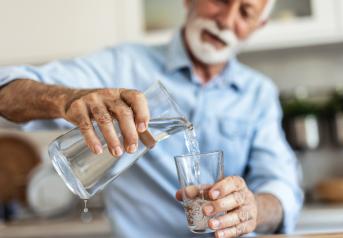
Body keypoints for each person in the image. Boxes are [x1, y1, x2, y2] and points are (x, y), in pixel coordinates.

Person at [0, 0, 303, 237]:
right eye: (220, 0)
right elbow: (6, 89)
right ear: (189, 0)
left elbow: (281, 186)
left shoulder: (258, 93)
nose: (226, 20)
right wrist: (67, 99)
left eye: (245, 12)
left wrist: (254, 209)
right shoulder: (123, 66)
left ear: (258, 26)